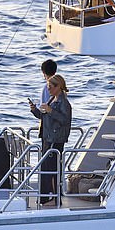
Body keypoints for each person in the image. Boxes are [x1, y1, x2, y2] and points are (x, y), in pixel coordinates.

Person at [29, 74, 72, 204]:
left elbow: (65, 119)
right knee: (46, 168)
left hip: (55, 140)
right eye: (48, 87)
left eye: (50, 87)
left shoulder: (63, 102)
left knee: (51, 169)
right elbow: (44, 117)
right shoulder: (53, 99)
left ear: (58, 87)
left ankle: (53, 196)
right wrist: (34, 110)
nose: (48, 90)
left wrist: (50, 111)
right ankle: (46, 196)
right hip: (47, 137)